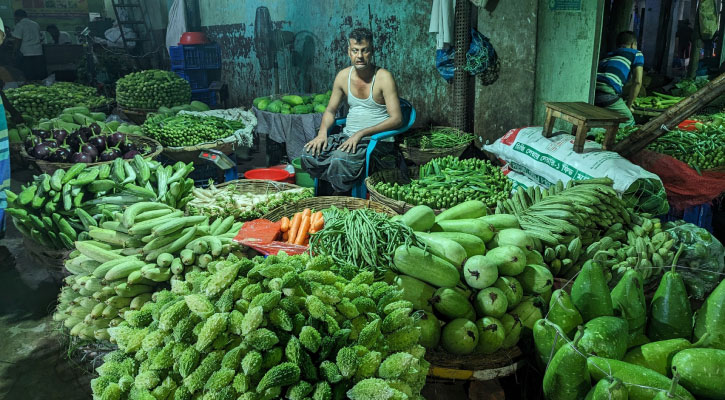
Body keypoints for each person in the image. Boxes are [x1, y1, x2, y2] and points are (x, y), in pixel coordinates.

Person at [301, 27, 402, 194]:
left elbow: (397, 119)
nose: (360, 56)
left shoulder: (384, 77)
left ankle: (341, 194)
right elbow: (330, 111)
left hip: (376, 143)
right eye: (355, 51)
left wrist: (361, 133)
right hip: (347, 138)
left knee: (340, 159)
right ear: (349, 51)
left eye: (364, 51)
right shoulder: (343, 76)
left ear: (372, 51)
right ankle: (341, 184)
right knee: (308, 154)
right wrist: (322, 133)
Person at [594, 31, 643, 127]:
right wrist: (629, 105)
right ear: (633, 45)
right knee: (628, 121)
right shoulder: (636, 53)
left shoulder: (608, 55)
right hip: (607, 91)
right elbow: (637, 81)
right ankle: (593, 134)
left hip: (592, 91)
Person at [12, 9, 46, 81]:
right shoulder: (35, 24)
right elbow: (40, 38)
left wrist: (15, 52)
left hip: (26, 54)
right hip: (38, 52)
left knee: (28, 74)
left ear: (17, 17)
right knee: (38, 73)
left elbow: (17, 40)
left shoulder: (20, 25)